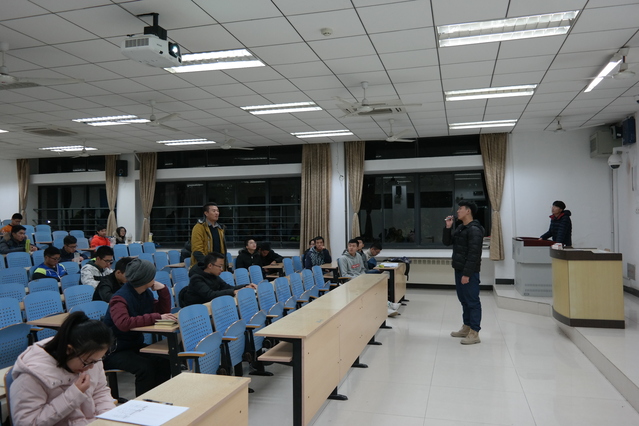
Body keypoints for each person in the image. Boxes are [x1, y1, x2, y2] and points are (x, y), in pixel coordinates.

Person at [10, 311, 115, 426]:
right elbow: (27, 423)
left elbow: (100, 392)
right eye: (87, 362)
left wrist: (108, 419)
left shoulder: (90, 356)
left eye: (96, 361)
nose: (91, 367)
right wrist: (73, 394)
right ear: (69, 350)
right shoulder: (31, 376)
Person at [102, 258, 175, 396]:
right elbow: (123, 323)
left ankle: (159, 399)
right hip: (115, 351)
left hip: (134, 345)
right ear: (145, 278)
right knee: (145, 368)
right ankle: (143, 404)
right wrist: (156, 317)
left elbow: (162, 312)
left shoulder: (145, 293)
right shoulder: (119, 298)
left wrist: (163, 291)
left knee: (164, 361)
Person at [443, 201, 485, 345]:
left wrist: (467, 274)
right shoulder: (461, 228)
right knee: (464, 300)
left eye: (460, 209)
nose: (458, 211)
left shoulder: (475, 230)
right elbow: (447, 242)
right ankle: (466, 327)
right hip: (459, 269)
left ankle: (474, 332)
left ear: (468, 211)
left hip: (469, 272)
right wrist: (448, 227)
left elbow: (474, 254)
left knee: (472, 301)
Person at [339, 239, 399, 317]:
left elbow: (362, 269)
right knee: (371, 291)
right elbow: (344, 275)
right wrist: (358, 278)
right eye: (349, 246)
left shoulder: (358, 256)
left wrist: (363, 277)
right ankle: (385, 309)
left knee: (376, 287)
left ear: (357, 247)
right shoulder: (343, 259)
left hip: (360, 279)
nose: (351, 248)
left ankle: (387, 304)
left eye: (353, 246)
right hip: (351, 282)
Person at [179, 252, 257, 307]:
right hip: (196, 310)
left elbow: (227, 287)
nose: (222, 269)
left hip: (209, 306)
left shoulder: (213, 275)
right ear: (210, 265)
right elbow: (210, 295)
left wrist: (246, 286)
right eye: (219, 266)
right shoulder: (196, 278)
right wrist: (233, 292)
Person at [190, 202, 228, 268]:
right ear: (206, 213)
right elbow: (197, 250)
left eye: (217, 211)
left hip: (218, 266)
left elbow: (223, 250)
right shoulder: (199, 227)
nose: (216, 213)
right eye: (214, 211)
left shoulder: (220, 229)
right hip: (205, 266)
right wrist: (207, 264)